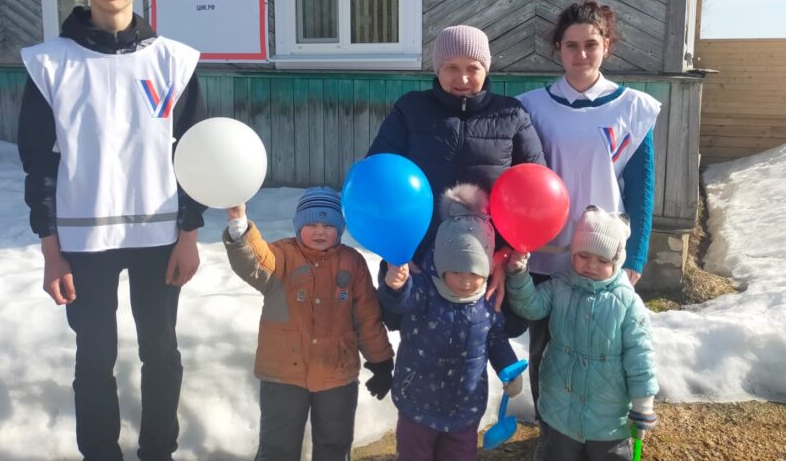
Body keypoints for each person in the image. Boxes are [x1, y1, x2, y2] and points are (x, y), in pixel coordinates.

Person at [17, 0, 205, 461]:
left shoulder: (174, 61)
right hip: (83, 244)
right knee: (94, 359)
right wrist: (51, 249)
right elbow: (39, 163)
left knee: (161, 354)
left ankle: (158, 452)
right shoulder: (49, 64)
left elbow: (196, 156)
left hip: (159, 239)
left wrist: (189, 235)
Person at [517, 0, 662, 415]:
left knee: (603, 349)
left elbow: (641, 188)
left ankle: (595, 430)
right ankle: (550, 428)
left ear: (607, 46)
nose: (581, 54)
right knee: (546, 349)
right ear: (558, 48)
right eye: (571, 45)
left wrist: (636, 254)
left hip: (603, 254)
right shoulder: (532, 106)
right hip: (547, 254)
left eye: (591, 45)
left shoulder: (632, 108)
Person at [368, 25, 546, 331]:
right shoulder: (411, 110)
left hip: (485, 265)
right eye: (451, 67)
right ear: (437, 69)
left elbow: (536, 193)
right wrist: (398, 252)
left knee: (482, 347)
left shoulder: (511, 115)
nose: (462, 79)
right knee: (421, 348)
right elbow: (378, 181)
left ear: (486, 68)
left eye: (472, 68)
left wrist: (505, 255)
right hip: (419, 260)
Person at [223, 187, 394, 461]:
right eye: (312, 224)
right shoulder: (281, 256)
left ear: (340, 229)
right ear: (298, 226)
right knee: (278, 447)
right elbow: (254, 262)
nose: (320, 232)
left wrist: (381, 361)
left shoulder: (352, 262)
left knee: (334, 445)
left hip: (336, 372)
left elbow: (367, 317)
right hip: (283, 374)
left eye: (328, 225)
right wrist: (238, 223)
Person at [379, 183, 524, 461]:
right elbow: (400, 301)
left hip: (465, 407)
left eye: (475, 274)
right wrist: (395, 286)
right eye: (457, 272)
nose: (466, 281)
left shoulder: (487, 302)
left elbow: (496, 339)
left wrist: (508, 369)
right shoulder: (425, 289)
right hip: (418, 404)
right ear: (442, 264)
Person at [505, 206, 659, 461]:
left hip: (607, 419)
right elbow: (531, 306)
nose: (591, 265)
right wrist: (520, 276)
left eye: (602, 260)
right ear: (573, 253)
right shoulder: (560, 286)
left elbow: (640, 356)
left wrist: (643, 402)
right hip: (560, 410)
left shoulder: (627, 303)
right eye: (583, 255)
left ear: (617, 261)